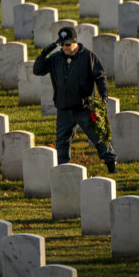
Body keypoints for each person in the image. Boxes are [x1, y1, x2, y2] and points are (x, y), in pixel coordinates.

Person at [33, 26, 118, 173]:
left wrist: (103, 97)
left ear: (75, 42)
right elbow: (37, 70)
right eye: (62, 44)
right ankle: (64, 170)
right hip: (64, 108)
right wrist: (44, 53)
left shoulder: (88, 57)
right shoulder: (55, 59)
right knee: (62, 143)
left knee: (98, 137)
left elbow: (100, 77)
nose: (65, 47)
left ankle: (112, 165)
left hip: (85, 108)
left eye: (67, 44)